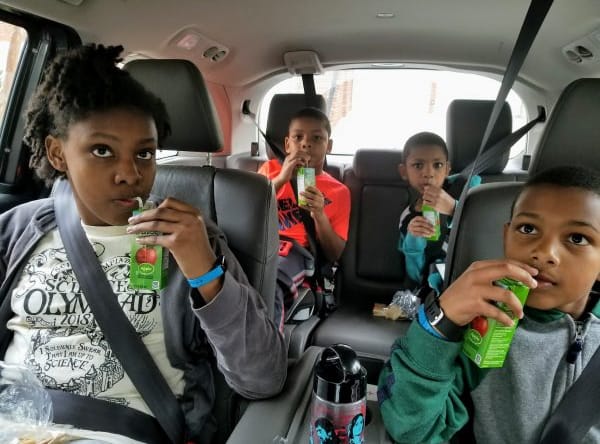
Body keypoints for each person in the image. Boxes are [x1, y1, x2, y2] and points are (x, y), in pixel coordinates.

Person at [0, 44, 286, 443]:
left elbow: (263, 378)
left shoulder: (191, 237)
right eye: (102, 151)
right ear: (57, 152)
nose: (129, 174)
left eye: (145, 153)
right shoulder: (16, 231)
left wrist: (204, 270)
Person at [378, 165, 600, 443]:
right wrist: (440, 323)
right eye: (528, 229)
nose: (545, 253)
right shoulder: (482, 327)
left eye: (577, 238)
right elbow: (411, 428)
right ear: (506, 238)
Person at [258, 107, 350, 326]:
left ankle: (268, 349)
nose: (306, 144)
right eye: (298, 137)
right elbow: (248, 209)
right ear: (287, 144)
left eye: (317, 138)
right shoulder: (269, 171)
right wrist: (282, 178)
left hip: (296, 252)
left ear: (329, 146)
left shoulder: (338, 191)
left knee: (271, 285)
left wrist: (319, 214)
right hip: (260, 246)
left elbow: (334, 252)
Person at [397, 131, 480, 293]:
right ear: (404, 172)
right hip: (439, 290)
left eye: (438, 165)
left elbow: (487, 229)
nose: (428, 173)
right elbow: (416, 275)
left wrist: (454, 208)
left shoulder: (467, 190)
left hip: (474, 280)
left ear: (447, 169)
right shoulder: (408, 218)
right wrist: (413, 240)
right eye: (418, 165)